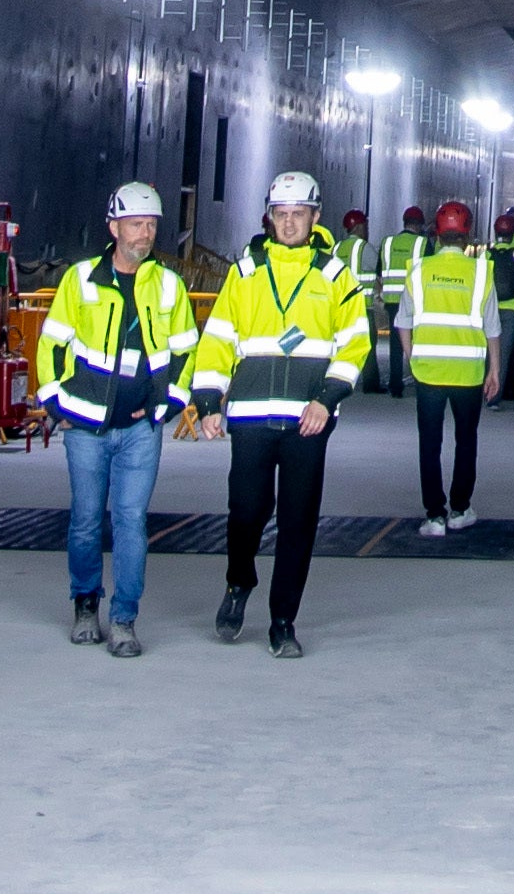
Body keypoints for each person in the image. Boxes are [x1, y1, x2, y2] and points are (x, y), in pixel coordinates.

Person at [184, 170, 366, 656]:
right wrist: (207, 401)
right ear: (269, 217)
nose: (288, 224)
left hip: (308, 419)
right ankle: (238, 582)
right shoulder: (244, 274)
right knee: (245, 511)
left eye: (298, 215)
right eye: (281, 215)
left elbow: (354, 344)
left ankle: (283, 620)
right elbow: (219, 338)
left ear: (315, 217)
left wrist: (326, 400)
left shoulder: (334, 276)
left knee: (298, 520)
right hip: (249, 416)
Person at [32, 180, 197, 653]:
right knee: (85, 521)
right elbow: (52, 344)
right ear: (114, 227)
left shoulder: (168, 285)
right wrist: (55, 403)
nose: (145, 234)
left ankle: (124, 618)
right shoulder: (80, 280)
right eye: (135, 224)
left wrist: (167, 404)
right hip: (85, 425)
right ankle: (86, 604)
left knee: (131, 522)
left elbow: (186, 350)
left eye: (151, 225)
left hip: (141, 428)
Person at [402, 199, 501, 532]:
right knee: (465, 440)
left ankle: (434, 516)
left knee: (429, 443)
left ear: (437, 233)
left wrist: (411, 356)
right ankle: (459, 510)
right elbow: (493, 327)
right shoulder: (481, 271)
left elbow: (403, 322)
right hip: (468, 372)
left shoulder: (418, 270)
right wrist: (495, 370)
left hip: (428, 370)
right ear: (468, 233)